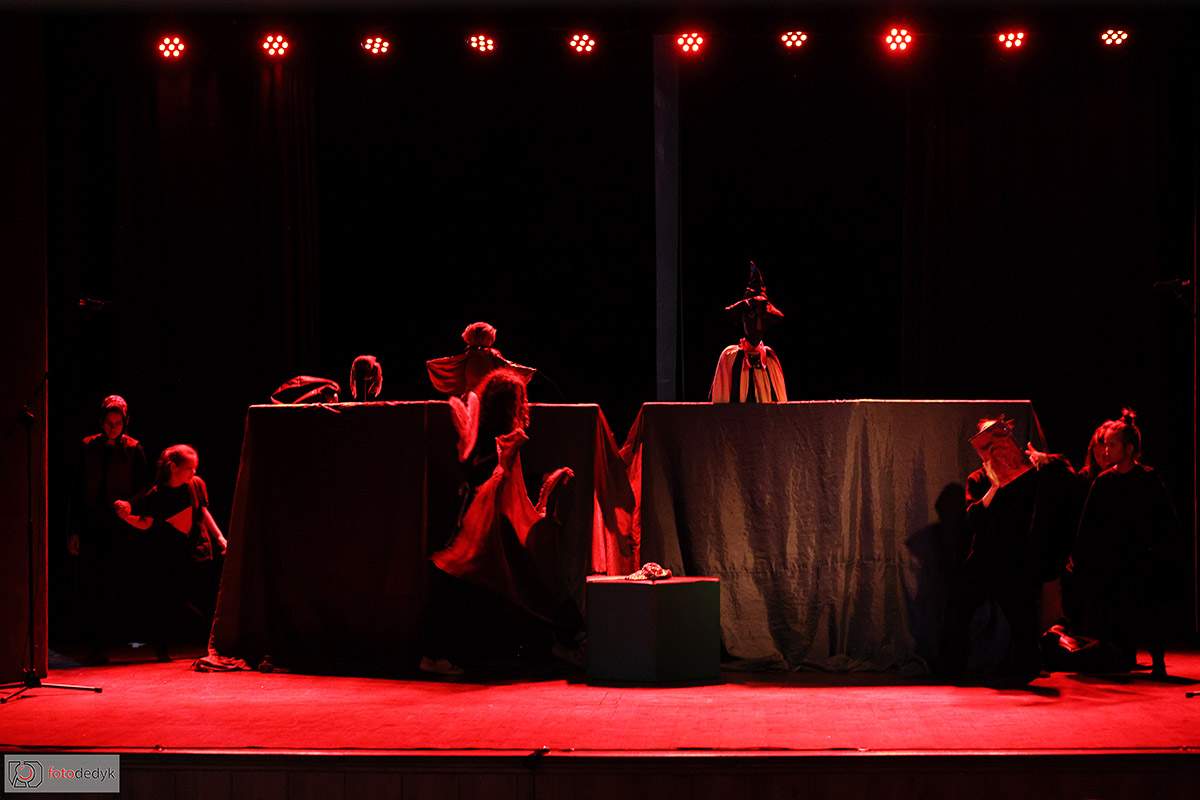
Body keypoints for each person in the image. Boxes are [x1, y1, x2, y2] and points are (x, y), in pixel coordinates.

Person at [420, 369, 577, 676]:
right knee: (513, 579)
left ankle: (560, 640)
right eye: (520, 402)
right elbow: (497, 485)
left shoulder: (491, 440)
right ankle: (564, 639)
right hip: (485, 524)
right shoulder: (498, 442)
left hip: (486, 523)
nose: (524, 407)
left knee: (483, 582)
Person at [940, 418, 1076, 686]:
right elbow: (972, 519)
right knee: (958, 608)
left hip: (1015, 560)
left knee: (1022, 617)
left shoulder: (1028, 477)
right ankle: (951, 668)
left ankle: (1025, 668)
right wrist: (995, 485)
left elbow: (1068, 475)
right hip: (983, 558)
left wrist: (1044, 459)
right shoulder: (978, 479)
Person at [1069, 410, 1180, 678]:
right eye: (1105, 444)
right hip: (1113, 560)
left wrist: (1161, 552)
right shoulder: (1103, 482)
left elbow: (1165, 520)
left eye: (1112, 444)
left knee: (1149, 609)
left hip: (1143, 558)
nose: (1106, 450)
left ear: (1129, 449)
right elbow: (1089, 524)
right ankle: (1120, 656)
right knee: (1114, 609)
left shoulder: (1148, 479)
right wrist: (1082, 556)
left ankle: (1157, 660)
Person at [114, 444, 227, 661]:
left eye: (195, 468)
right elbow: (145, 523)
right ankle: (162, 647)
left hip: (199, 550)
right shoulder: (157, 494)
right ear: (173, 467)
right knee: (169, 602)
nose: (194, 472)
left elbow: (203, 512)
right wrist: (126, 517)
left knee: (205, 598)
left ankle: (214, 644)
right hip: (171, 556)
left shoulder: (196, 484)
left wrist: (220, 538)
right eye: (189, 468)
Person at [69, 395, 149, 664]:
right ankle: (96, 645)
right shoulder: (87, 447)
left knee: (118, 582)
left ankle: (123, 641)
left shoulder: (134, 449)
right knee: (93, 583)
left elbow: (144, 488)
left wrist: (131, 504)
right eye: (108, 422)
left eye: (117, 423)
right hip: (93, 523)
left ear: (125, 422)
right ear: (101, 421)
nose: (113, 427)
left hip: (121, 524)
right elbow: (76, 491)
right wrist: (74, 530)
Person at [710, 262, 788, 403]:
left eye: (762, 317)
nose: (757, 324)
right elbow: (719, 408)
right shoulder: (730, 357)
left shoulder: (771, 360)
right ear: (743, 319)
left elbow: (781, 409)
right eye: (751, 316)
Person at [426, 322, 535, 398]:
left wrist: (436, 364)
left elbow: (450, 361)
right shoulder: (486, 354)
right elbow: (508, 365)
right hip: (481, 396)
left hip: (477, 395)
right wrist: (526, 370)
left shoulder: (475, 354)